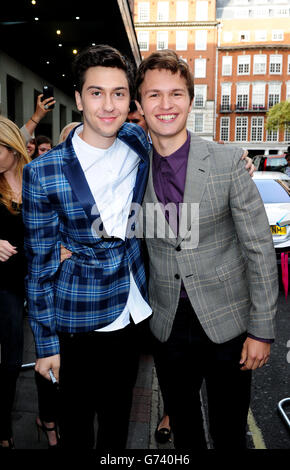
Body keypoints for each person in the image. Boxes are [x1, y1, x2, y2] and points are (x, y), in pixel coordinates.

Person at [135, 50, 278, 449]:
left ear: (191, 100)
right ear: (138, 105)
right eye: (154, 95)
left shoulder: (228, 160)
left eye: (176, 94)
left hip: (228, 324)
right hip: (167, 324)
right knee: (186, 430)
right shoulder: (131, 164)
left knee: (229, 431)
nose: (166, 105)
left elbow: (259, 249)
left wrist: (262, 330)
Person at [22, 44, 152, 451]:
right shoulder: (42, 172)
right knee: (77, 427)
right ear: (78, 98)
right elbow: (39, 266)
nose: (109, 105)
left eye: (118, 93)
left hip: (131, 309)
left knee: (117, 424)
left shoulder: (137, 141)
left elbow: (179, 151)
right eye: (96, 93)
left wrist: (235, 161)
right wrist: (45, 345)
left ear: (129, 100)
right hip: (77, 317)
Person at [0, 116, 31, 448]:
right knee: (10, 361)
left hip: (35, 280)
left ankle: (48, 417)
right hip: (4, 286)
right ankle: (4, 430)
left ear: (12, 148)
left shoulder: (37, 179)